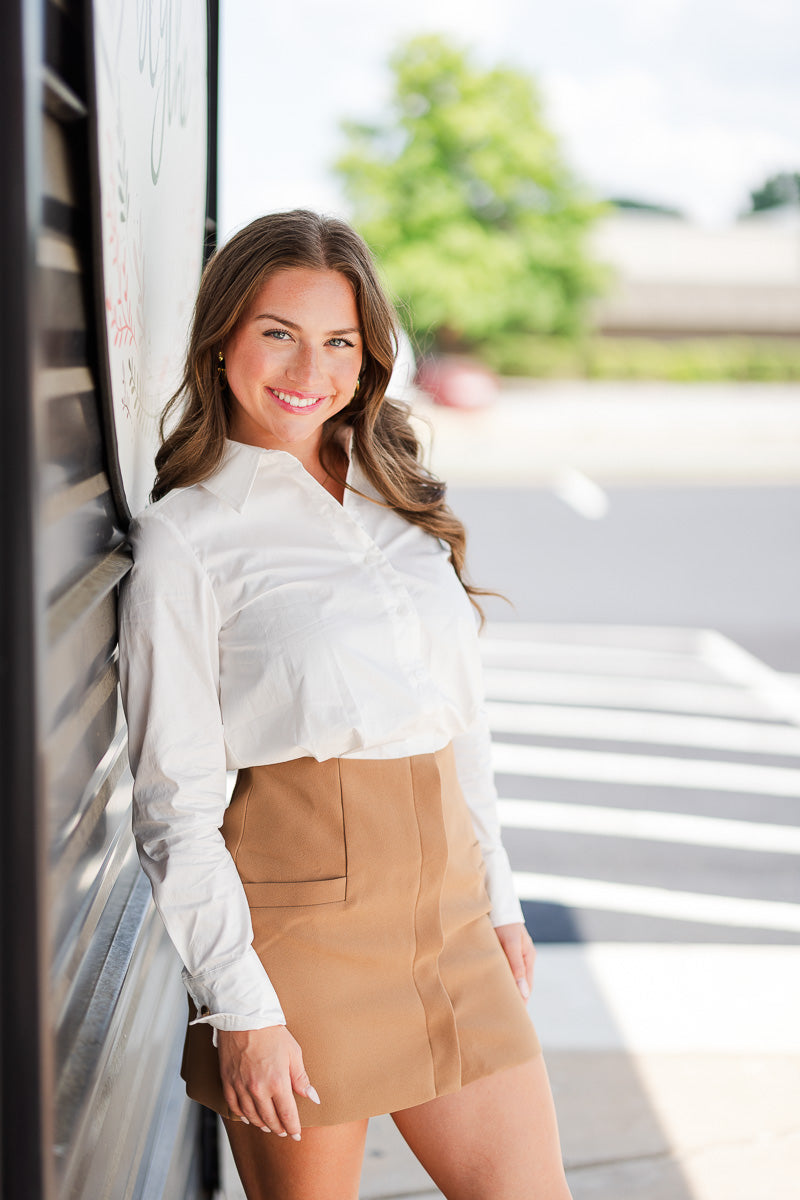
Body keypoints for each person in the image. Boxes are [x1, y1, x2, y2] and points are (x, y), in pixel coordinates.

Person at [118, 210, 572, 1200]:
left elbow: (460, 723)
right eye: (277, 331)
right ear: (222, 336)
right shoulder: (187, 540)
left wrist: (495, 897)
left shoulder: (391, 494)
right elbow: (174, 809)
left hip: (448, 919)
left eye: (338, 341)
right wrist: (239, 1008)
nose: (307, 368)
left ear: (367, 357)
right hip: (299, 943)